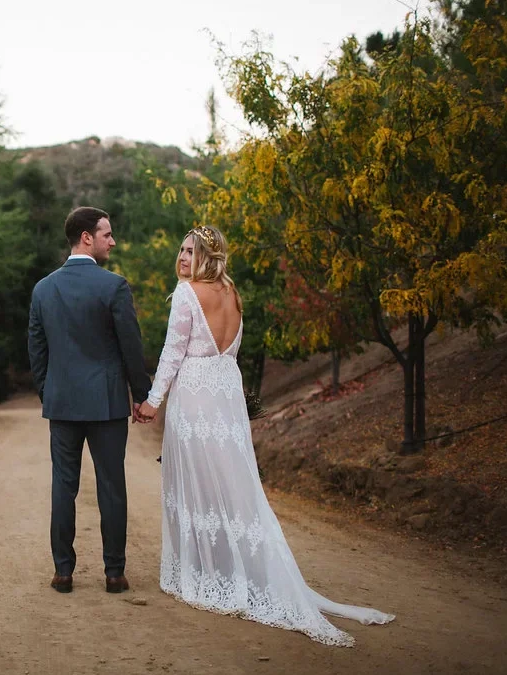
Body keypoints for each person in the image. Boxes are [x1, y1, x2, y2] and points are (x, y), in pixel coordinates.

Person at [136, 225, 395, 646]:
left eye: (191, 252)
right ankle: (233, 567)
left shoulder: (186, 294)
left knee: (200, 484)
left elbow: (172, 352)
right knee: (232, 485)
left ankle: (207, 574)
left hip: (197, 399)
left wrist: (152, 401)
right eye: (181, 250)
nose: (182, 258)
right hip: (226, 397)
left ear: (208, 257)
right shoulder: (232, 294)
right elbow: (230, 351)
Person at [27, 206, 152, 594]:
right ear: (86, 238)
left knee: (63, 486)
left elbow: (37, 350)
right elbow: (131, 347)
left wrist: (49, 392)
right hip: (106, 404)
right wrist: (141, 395)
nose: (112, 241)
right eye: (107, 234)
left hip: (62, 403)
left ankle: (63, 572)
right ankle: (114, 573)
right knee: (111, 487)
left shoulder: (43, 289)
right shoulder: (114, 286)